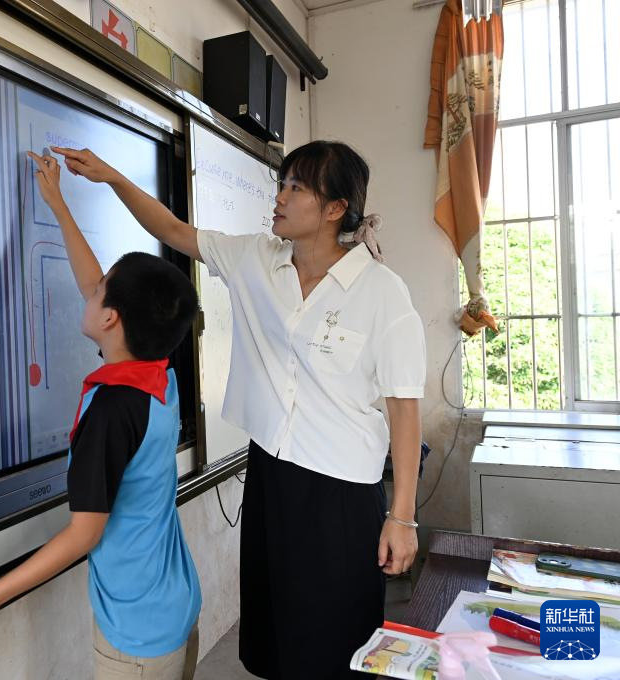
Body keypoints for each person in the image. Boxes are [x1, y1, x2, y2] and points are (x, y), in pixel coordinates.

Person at [50, 140, 425, 679]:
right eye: (282, 184)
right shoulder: (256, 259)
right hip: (271, 473)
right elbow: (173, 230)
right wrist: (112, 177)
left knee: (339, 644)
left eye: (296, 188)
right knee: (278, 641)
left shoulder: (381, 291)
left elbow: (403, 406)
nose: (280, 197)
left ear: (335, 208)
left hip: (341, 492)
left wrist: (402, 516)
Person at [0, 150, 202, 680]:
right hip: (174, 602)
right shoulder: (157, 373)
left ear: (111, 319)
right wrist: (57, 204)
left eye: (100, 290)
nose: (90, 288)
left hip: (136, 637)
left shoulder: (111, 413)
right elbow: (95, 283)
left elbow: (83, 535)